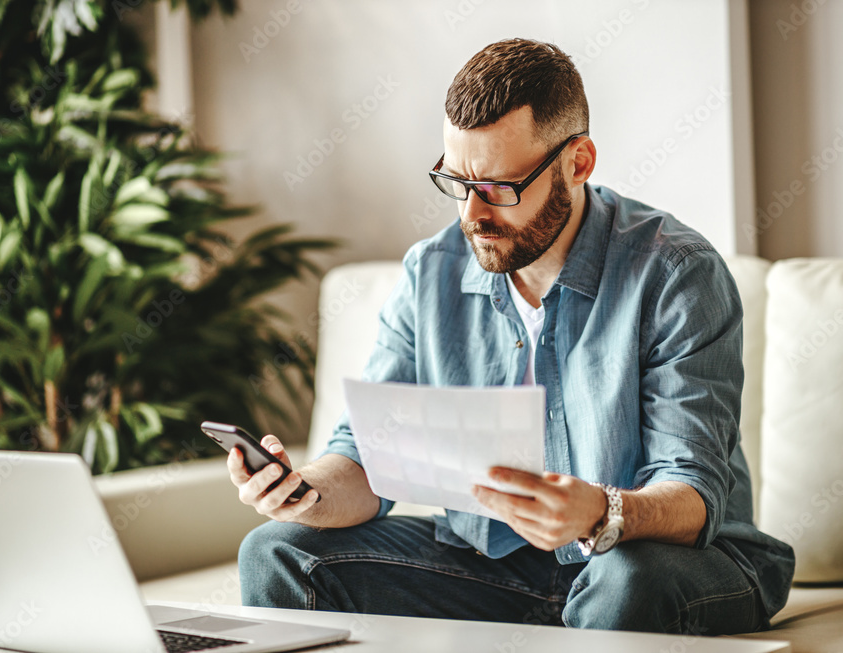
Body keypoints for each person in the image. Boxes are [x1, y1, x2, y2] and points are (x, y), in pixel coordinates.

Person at [228, 38, 794, 635]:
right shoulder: (431, 272)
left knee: (625, 579)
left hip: (669, 559)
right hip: (498, 568)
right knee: (278, 550)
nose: (473, 214)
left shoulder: (676, 273)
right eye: (457, 182)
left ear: (577, 163)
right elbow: (369, 456)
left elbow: (693, 492)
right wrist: (303, 492)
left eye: (499, 188)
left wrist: (603, 511)